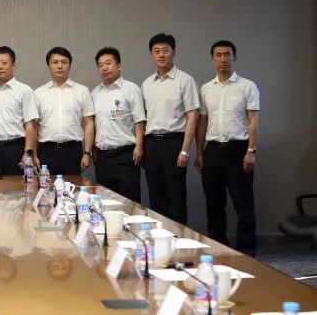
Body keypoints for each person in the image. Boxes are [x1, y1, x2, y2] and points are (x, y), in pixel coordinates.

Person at [195, 40, 259, 255]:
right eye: (218, 55)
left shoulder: (247, 86)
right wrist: (199, 152)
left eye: (227, 54)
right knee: (214, 205)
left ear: (234, 57)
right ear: (212, 59)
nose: (223, 59)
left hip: (238, 150)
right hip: (212, 151)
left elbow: (253, 121)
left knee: (243, 205)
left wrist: (251, 151)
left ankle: (247, 253)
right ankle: (218, 250)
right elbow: (202, 122)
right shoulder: (205, 89)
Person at [141, 33, 199, 224]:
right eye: (156, 51)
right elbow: (142, 118)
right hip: (151, 144)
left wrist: (185, 149)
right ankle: (160, 236)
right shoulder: (147, 84)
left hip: (174, 143)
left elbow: (192, 115)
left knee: (176, 195)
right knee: (156, 195)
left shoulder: (185, 80)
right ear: (151, 55)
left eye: (165, 50)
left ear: (173, 52)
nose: (161, 55)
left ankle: (179, 238)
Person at [91, 47, 146, 202]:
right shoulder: (95, 93)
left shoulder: (131, 89)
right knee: (105, 202)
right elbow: (91, 124)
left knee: (129, 202)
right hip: (102, 157)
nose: (104, 68)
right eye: (100, 65)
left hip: (126, 155)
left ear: (119, 65)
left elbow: (140, 120)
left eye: (108, 63)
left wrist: (139, 146)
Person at [33, 47, 94, 175]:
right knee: (46, 187)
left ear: (70, 65)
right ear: (48, 66)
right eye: (55, 62)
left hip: (72, 151)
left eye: (64, 62)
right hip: (46, 151)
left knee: (73, 186)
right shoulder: (38, 93)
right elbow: (34, 127)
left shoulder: (82, 91)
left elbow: (89, 123)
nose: (59, 66)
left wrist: (87, 153)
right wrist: (33, 154)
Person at [0, 46, 38, 175]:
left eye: (4, 63)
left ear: (13, 66)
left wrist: (28, 152)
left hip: (14, 148)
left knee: (15, 186)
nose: (0, 67)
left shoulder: (25, 91)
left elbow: (30, 125)